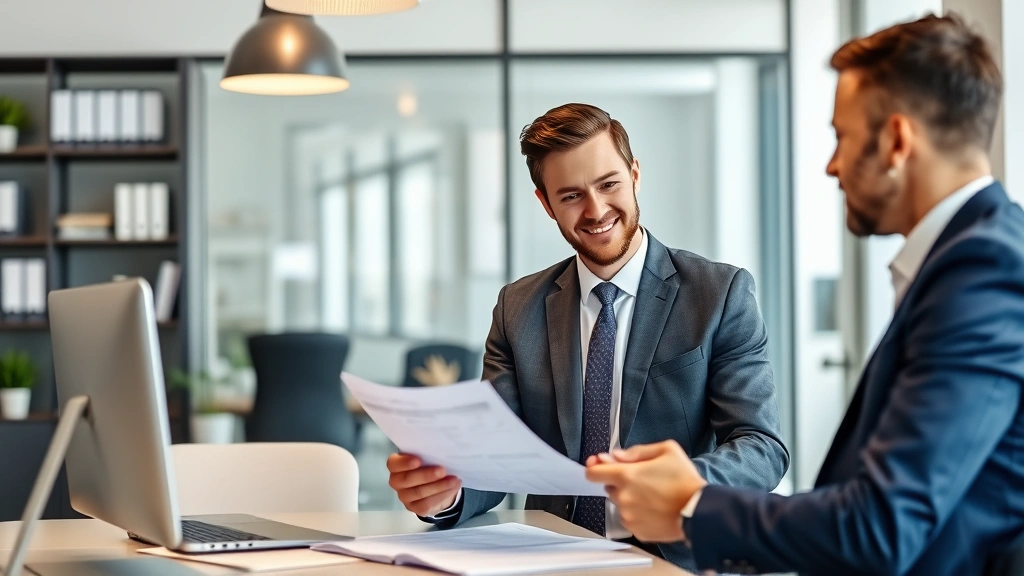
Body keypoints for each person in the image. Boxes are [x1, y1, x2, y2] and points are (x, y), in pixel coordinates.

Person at [586, 13, 1024, 576]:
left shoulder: (982, 271)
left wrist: (691, 505)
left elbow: (882, 526)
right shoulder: (969, 260)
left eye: (842, 136)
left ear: (895, 141)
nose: (831, 165)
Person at [387, 102, 789, 569]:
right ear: (546, 203)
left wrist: (681, 483)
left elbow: (762, 446)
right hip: (549, 558)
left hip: (676, 558)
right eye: (572, 195)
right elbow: (496, 453)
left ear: (635, 174)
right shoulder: (518, 308)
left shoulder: (719, 294)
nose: (596, 210)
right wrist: (446, 492)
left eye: (609, 184)